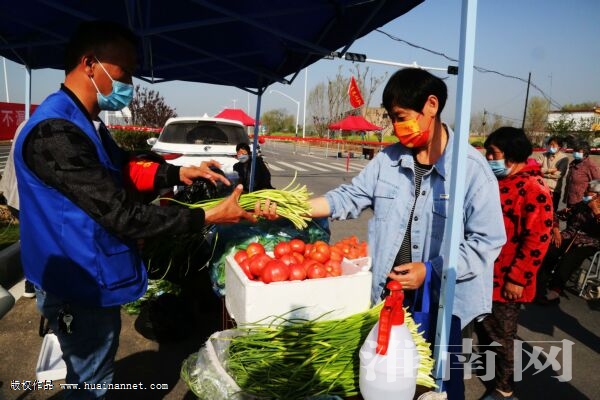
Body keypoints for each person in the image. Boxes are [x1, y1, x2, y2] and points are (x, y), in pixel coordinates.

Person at [13, 21, 276, 399]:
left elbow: (121, 167)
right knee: (90, 381)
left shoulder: (85, 122)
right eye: (124, 71)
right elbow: (122, 214)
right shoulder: (55, 132)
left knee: (87, 371)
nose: (130, 83)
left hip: (86, 276)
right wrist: (208, 215)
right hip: (77, 286)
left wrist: (177, 172)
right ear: (90, 64)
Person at [307, 68, 506, 399]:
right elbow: (350, 197)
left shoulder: (470, 170)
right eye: (392, 118)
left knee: (435, 383)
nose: (396, 127)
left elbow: (487, 241)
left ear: (431, 105)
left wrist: (431, 270)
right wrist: (299, 207)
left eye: (401, 117)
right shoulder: (388, 160)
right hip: (391, 295)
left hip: (443, 305)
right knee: (386, 379)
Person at [475, 127, 554, 400]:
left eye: (493, 153)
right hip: (486, 274)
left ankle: (504, 388)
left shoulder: (533, 188)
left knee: (501, 336)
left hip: (507, 280)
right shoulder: (502, 181)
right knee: (486, 329)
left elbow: (538, 239)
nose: (488, 158)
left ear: (511, 155)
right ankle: (491, 374)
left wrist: (517, 279)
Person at [536, 179, 600, 305]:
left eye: (588, 191)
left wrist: (596, 211)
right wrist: (555, 230)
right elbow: (556, 215)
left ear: (597, 195)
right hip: (568, 236)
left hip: (589, 242)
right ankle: (539, 283)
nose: (585, 193)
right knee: (551, 250)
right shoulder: (581, 205)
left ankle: (555, 291)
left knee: (569, 259)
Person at [0, 120, 36, 298]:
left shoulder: (26, 124)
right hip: (29, 198)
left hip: (16, 195)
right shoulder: (52, 124)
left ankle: (31, 284)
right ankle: (32, 283)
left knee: (29, 239)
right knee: (36, 240)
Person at [562, 140, 600, 208]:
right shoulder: (573, 163)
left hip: (583, 202)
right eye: (574, 151)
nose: (575, 153)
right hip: (571, 199)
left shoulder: (590, 165)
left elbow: (598, 184)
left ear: (585, 152)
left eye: (578, 151)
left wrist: (590, 197)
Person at [535, 135, 568, 210]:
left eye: (553, 145)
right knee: (539, 211)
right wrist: (549, 170)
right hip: (541, 188)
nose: (551, 146)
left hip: (554, 190)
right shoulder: (543, 155)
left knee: (552, 211)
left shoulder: (564, 158)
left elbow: (558, 175)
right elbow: (536, 169)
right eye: (550, 144)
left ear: (559, 146)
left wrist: (542, 173)